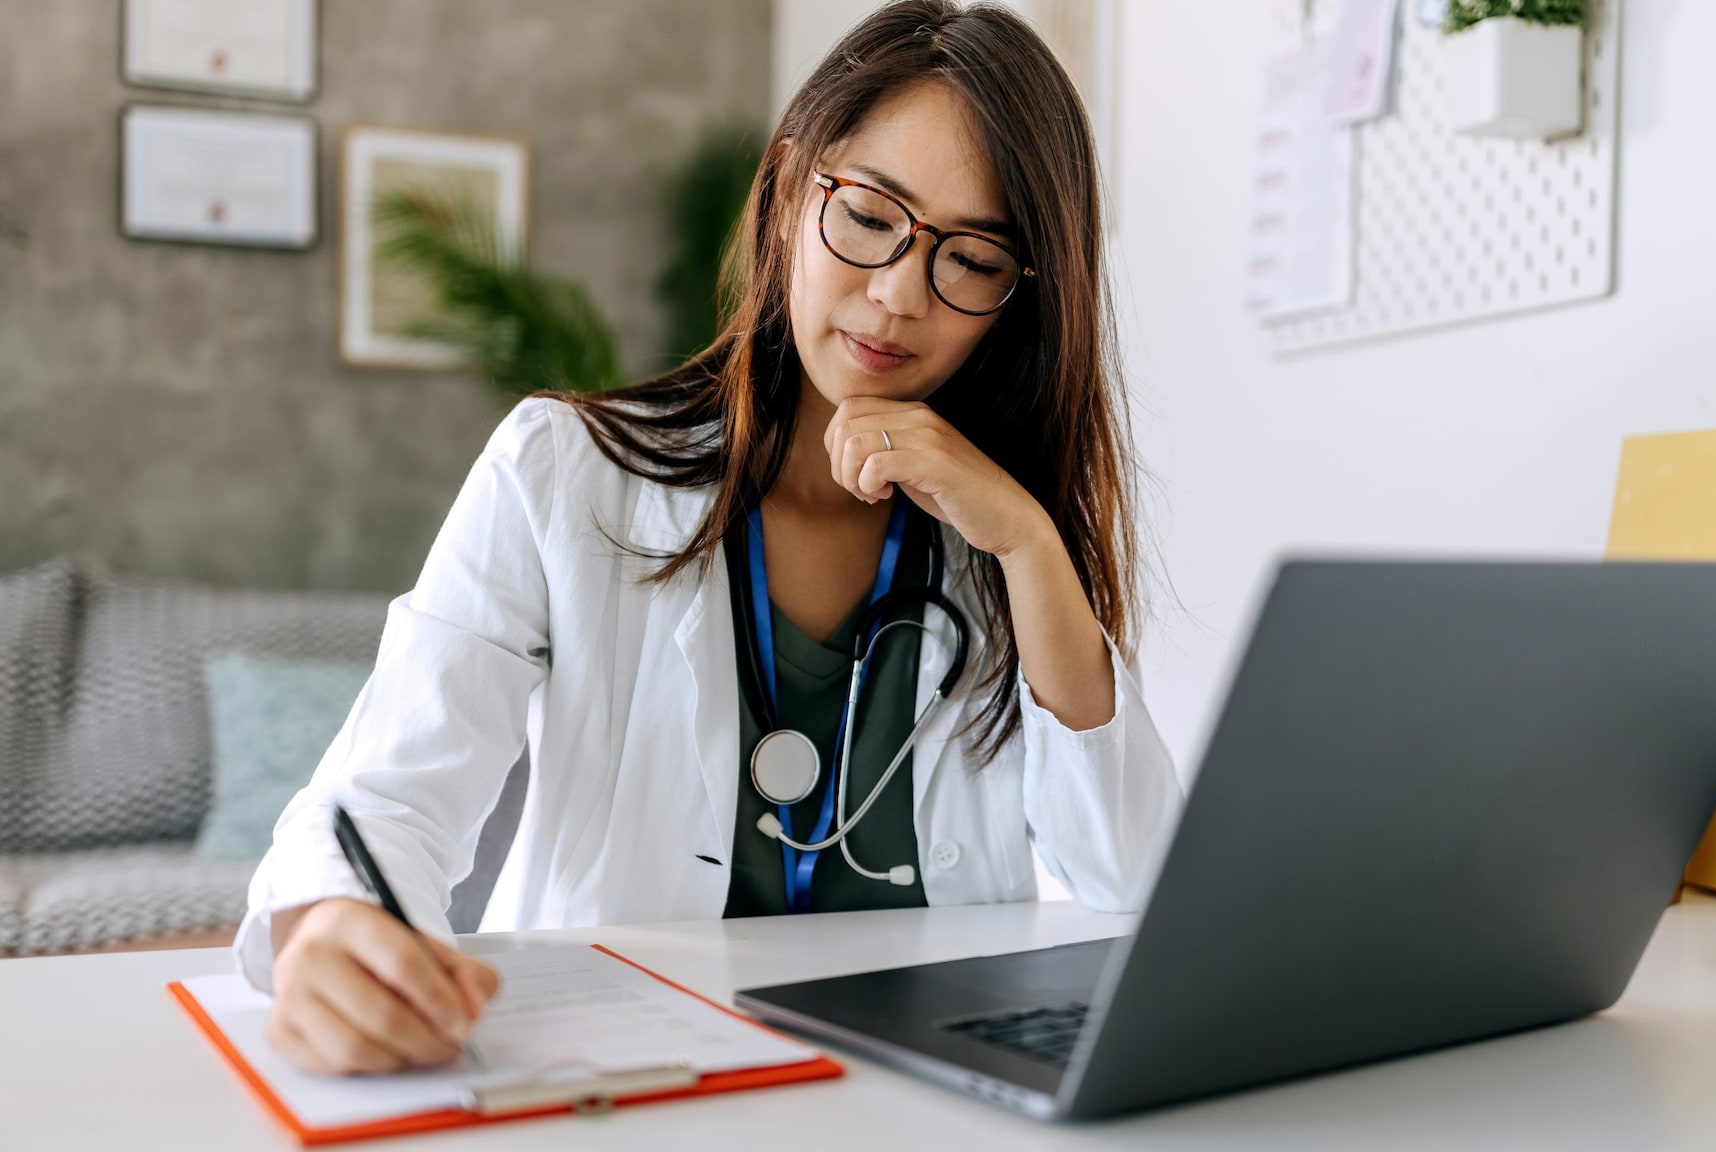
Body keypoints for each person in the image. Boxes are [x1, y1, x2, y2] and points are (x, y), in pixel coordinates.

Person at [240, 0, 1180, 1076]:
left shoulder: (998, 540)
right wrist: (333, 936)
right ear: (788, 193)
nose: (895, 295)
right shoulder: (563, 471)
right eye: (870, 216)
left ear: (1016, 298)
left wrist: (1028, 546)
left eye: (968, 259)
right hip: (637, 1083)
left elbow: (1135, 892)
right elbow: (384, 800)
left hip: (934, 1090)